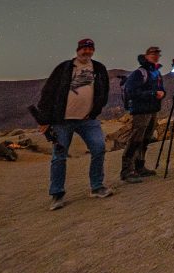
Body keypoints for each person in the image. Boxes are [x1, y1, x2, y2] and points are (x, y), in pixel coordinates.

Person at [35, 38, 113, 210]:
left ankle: (97, 186)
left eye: (90, 49)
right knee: (59, 156)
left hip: (88, 120)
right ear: (78, 50)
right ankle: (57, 194)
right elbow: (48, 92)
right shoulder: (64, 68)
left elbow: (103, 91)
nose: (87, 52)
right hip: (62, 121)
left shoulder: (98, 68)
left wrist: (94, 112)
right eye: (84, 49)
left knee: (99, 148)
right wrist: (44, 120)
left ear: (93, 50)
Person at [120, 46, 166, 183]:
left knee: (145, 139)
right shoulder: (140, 73)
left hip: (152, 110)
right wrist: (152, 94)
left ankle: (140, 166)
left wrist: (163, 93)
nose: (155, 56)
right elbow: (131, 91)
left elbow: (161, 89)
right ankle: (127, 170)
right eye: (152, 54)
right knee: (135, 140)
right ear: (146, 56)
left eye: (157, 54)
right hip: (141, 111)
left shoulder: (156, 73)